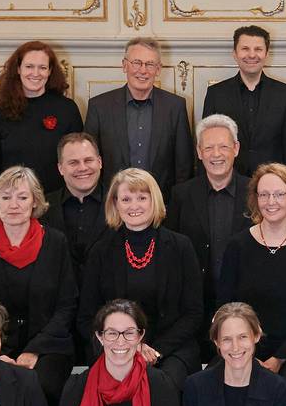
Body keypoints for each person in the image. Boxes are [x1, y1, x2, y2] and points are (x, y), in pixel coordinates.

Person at [0, 166, 77, 406]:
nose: (13, 204)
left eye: (22, 197)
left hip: (49, 348)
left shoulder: (55, 243)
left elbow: (67, 306)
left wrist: (35, 350)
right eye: (6, 197)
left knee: (42, 386)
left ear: (35, 202)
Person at [77, 168, 203, 392]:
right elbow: (87, 316)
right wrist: (122, 347)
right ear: (115, 204)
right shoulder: (101, 251)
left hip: (171, 348)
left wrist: (153, 349)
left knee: (162, 384)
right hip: (114, 348)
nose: (133, 205)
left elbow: (193, 313)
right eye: (126, 199)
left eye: (142, 198)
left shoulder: (180, 246)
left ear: (154, 200)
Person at [218, 162, 286, 387]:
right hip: (242, 347)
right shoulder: (237, 245)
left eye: (279, 194)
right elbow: (225, 307)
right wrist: (245, 351)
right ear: (255, 199)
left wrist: (279, 358)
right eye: (264, 194)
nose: (271, 202)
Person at [165, 114, 250, 355]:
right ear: (199, 152)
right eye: (209, 147)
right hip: (195, 307)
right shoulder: (181, 194)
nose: (216, 154)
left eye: (223, 147)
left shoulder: (256, 192)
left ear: (236, 149)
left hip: (245, 306)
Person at [0, 41, 83, 224]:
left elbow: (78, 162)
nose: (36, 73)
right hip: (13, 209)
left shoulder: (67, 109)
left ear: (50, 71)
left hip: (59, 209)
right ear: (18, 69)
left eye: (42, 67)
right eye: (29, 66)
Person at [83, 37, 193, 199]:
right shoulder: (99, 106)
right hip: (112, 204)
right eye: (137, 63)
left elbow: (184, 165)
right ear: (124, 65)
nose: (143, 70)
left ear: (158, 69)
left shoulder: (175, 106)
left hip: (161, 205)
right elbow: (89, 161)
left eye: (150, 64)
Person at [202, 25, 286, 176]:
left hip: (272, 185)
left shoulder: (285, 94)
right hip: (227, 183)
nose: (251, 55)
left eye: (258, 49)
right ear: (234, 54)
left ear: (266, 54)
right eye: (245, 49)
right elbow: (206, 144)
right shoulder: (216, 93)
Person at [42, 132, 109, 286]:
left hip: (109, 302)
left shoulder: (120, 202)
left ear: (99, 162)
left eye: (88, 160)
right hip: (58, 301)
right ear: (60, 168)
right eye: (73, 163)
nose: (83, 168)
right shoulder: (42, 207)